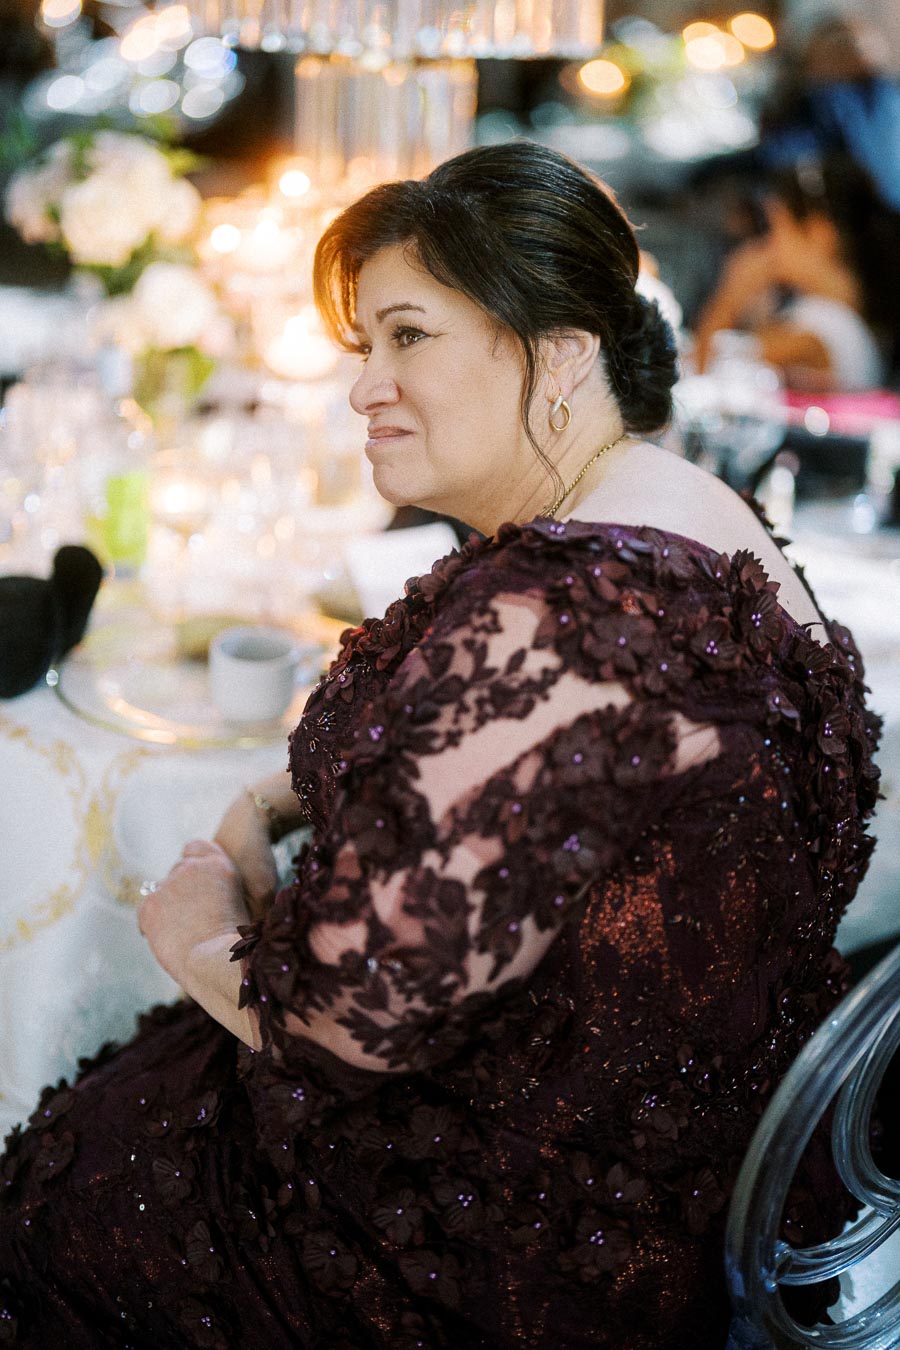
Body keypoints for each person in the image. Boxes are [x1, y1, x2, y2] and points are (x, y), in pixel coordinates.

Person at [0, 141, 880, 1348]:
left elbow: (340, 1024)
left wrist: (191, 928)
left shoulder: (564, 607)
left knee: (55, 1197)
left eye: (409, 336)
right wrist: (280, 794)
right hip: (683, 1175)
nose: (365, 385)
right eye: (364, 346)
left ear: (561, 353)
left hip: (506, 1252)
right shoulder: (690, 518)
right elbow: (587, 795)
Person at [693, 155, 896, 391]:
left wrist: (729, 298)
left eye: (776, 228)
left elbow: (704, 375)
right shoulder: (848, 318)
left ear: (819, 234)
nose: (767, 244)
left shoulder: (816, 330)